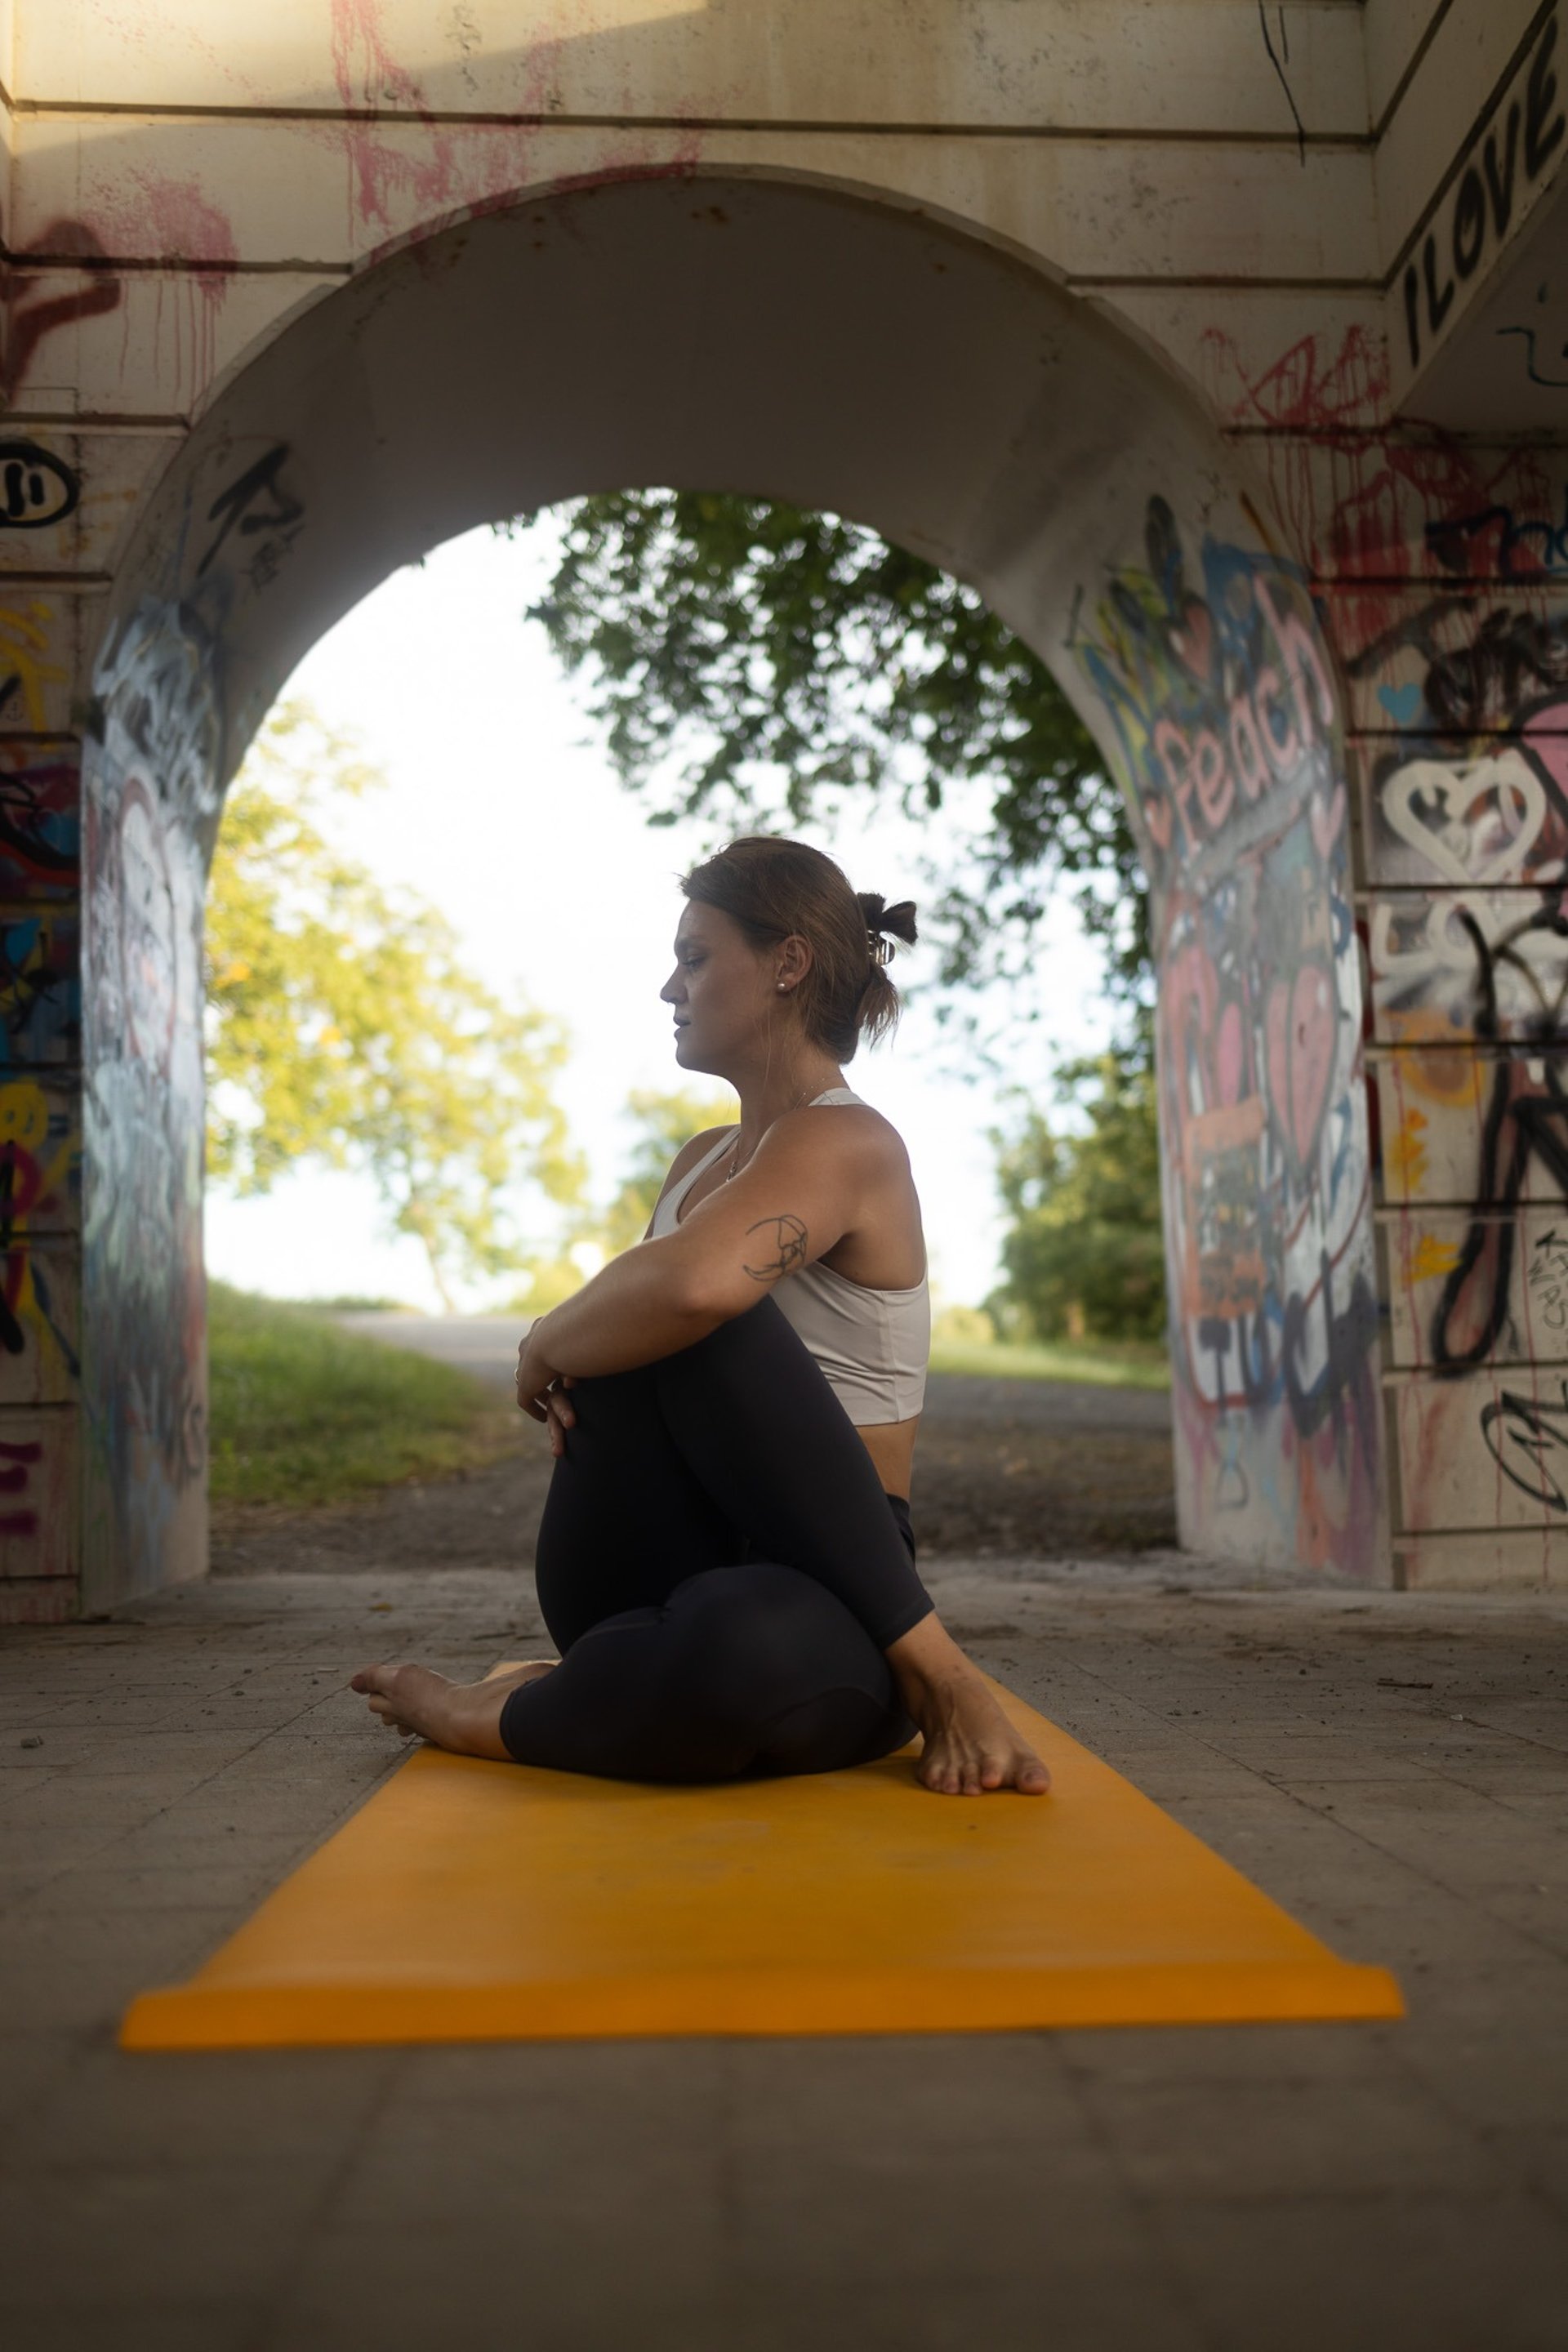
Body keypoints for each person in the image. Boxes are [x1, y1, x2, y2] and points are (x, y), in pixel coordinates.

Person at [353, 835, 1049, 1797]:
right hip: (642, 1554)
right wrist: (583, 1344)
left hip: (831, 1582)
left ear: (787, 963)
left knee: (740, 1640)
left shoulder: (849, 1140)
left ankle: (510, 1707)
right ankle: (617, 1677)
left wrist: (545, 1343)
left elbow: (693, 1294)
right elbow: (656, 1309)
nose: (669, 988)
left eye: (694, 956)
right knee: (677, 1298)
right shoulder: (698, 1163)